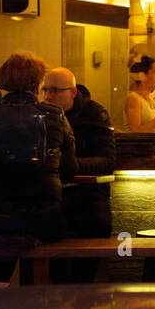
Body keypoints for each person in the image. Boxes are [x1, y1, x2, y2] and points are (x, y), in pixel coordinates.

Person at [0, 51, 78, 260]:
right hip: (44, 220)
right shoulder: (55, 115)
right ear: (37, 85)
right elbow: (70, 169)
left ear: (3, 81)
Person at [44, 67, 116, 282]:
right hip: (54, 197)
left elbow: (108, 161)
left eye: (56, 90)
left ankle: (83, 295)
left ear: (73, 92)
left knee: (95, 224)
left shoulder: (95, 114)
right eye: (45, 89)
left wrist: (74, 166)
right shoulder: (41, 115)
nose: (48, 96)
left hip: (88, 194)